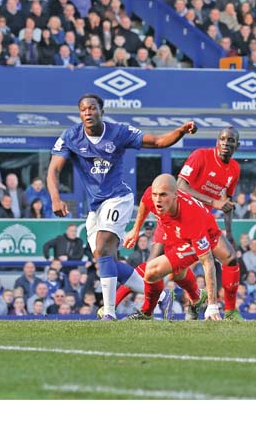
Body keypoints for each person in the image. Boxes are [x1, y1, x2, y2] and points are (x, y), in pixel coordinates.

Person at [47, 93, 197, 320]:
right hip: (95, 206)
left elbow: (157, 142)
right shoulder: (70, 136)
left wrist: (180, 131)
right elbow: (53, 170)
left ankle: (108, 312)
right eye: (83, 110)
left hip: (118, 197)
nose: (88, 113)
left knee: (104, 245)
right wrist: (56, 198)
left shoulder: (118, 132)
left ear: (101, 111)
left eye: (92, 108)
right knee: (104, 260)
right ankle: (163, 298)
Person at [123, 175, 235, 321]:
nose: (157, 199)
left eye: (163, 195)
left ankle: (146, 312)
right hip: (175, 230)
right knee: (176, 275)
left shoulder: (192, 217)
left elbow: (208, 262)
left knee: (151, 271)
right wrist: (135, 229)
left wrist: (213, 306)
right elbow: (145, 202)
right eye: (155, 194)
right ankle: (197, 298)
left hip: (201, 236)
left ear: (176, 195)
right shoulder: (151, 195)